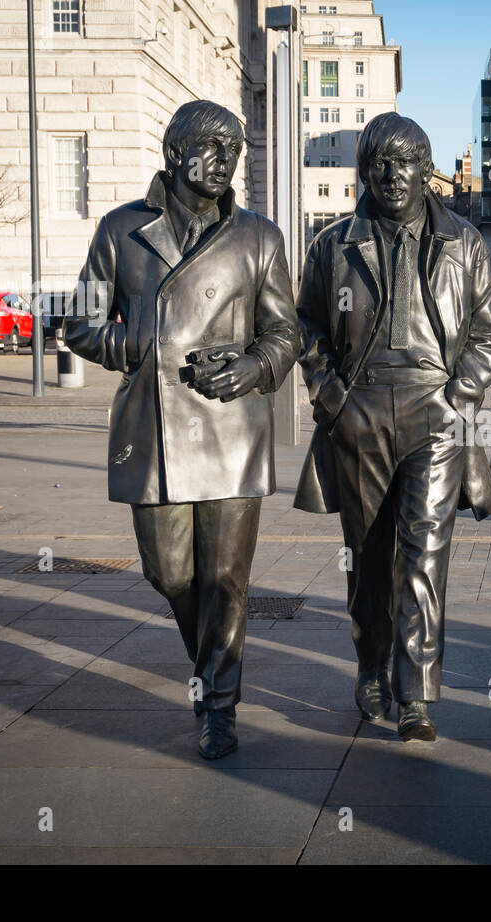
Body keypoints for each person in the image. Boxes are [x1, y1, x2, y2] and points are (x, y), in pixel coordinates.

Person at [65, 100, 303, 759]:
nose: (225, 158)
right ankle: (211, 671)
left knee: (226, 577)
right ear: (174, 154)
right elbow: (79, 324)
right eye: (211, 145)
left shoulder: (260, 238)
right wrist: (132, 344)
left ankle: (218, 706)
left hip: (232, 430)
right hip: (155, 429)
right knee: (167, 572)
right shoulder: (123, 231)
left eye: (235, 148)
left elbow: (289, 332)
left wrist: (255, 364)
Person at [293, 112, 491, 741]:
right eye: (379, 162)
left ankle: (416, 690)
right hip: (360, 410)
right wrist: (332, 398)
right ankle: (370, 664)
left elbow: (489, 335)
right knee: (368, 554)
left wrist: (458, 397)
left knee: (425, 547)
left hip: (434, 410)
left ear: (425, 168)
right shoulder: (333, 244)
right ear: (364, 170)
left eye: (404, 161)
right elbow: (307, 329)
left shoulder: (463, 242)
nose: (391, 175)